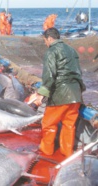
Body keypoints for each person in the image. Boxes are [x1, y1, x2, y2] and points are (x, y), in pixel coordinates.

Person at [35, 27, 86, 157]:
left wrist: (41, 94)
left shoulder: (51, 51)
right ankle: (67, 151)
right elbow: (77, 72)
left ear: (50, 38)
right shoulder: (71, 50)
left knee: (49, 124)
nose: (45, 43)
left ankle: (46, 151)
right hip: (75, 94)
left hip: (60, 94)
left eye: (45, 40)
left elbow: (49, 75)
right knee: (69, 125)